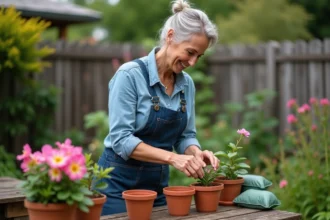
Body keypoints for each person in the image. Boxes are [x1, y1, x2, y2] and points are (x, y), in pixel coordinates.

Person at [97, 0, 219, 215]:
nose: (193, 62)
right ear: (171, 36)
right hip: (116, 186)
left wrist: (196, 153)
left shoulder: (186, 84)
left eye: (198, 56)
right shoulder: (130, 76)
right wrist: (173, 158)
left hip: (157, 189)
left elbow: (185, 136)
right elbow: (121, 139)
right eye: (190, 52)